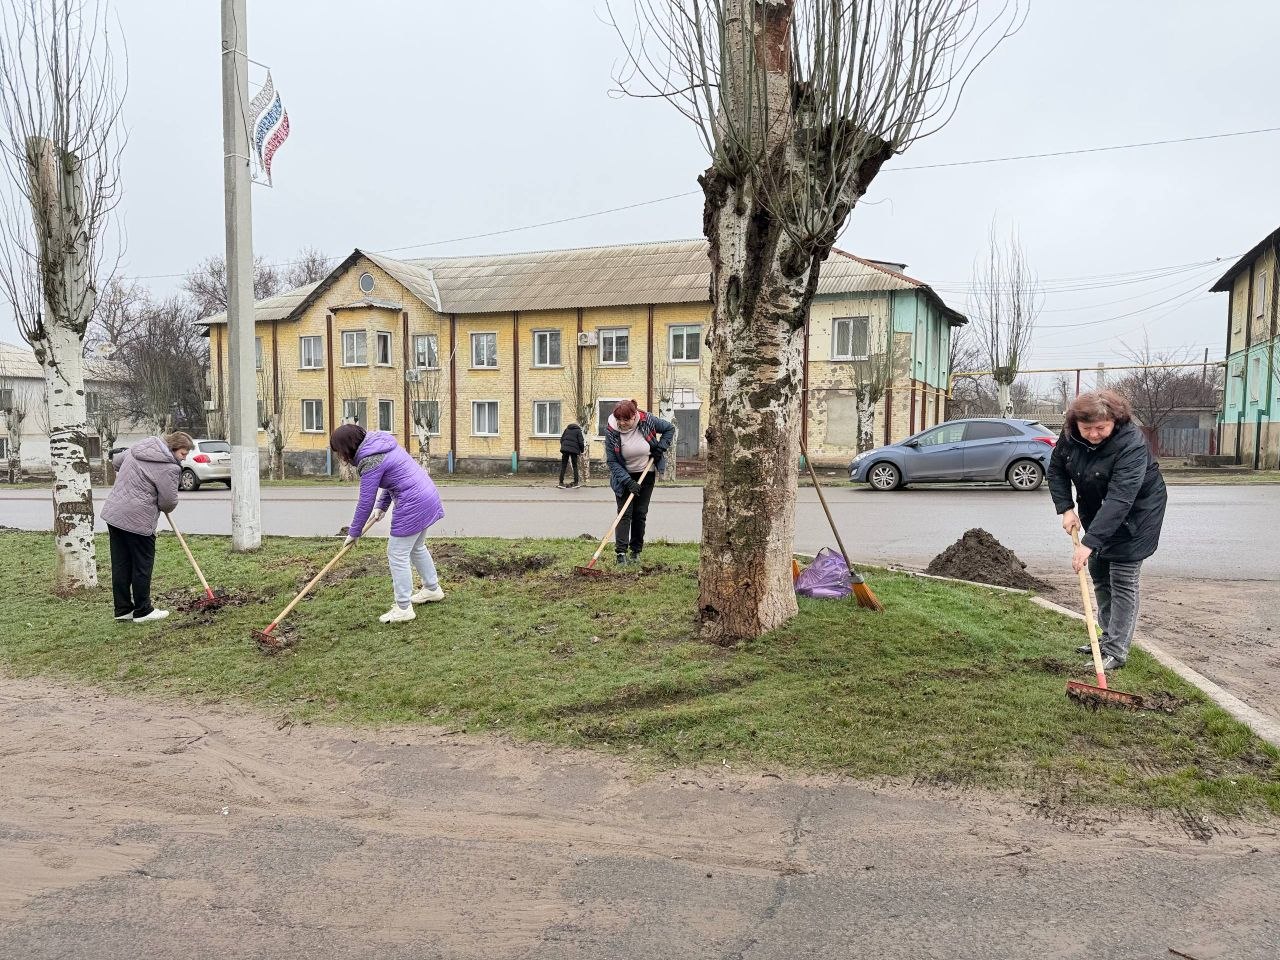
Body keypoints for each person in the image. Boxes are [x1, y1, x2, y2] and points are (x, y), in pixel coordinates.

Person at [1047, 390, 1167, 672]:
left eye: (1101, 428)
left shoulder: (1131, 444)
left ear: (1115, 420)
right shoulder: (1070, 436)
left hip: (1136, 514)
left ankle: (1116, 650)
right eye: (1086, 428)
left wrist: (1089, 543)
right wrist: (1066, 508)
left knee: (1122, 579)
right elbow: (1056, 470)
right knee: (1100, 573)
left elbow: (1121, 499)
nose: (1093, 434)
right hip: (1097, 509)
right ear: (1076, 424)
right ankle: (1107, 637)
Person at [330, 423, 446, 624]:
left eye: (339, 452)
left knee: (397, 554)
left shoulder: (369, 460)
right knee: (417, 547)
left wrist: (354, 532)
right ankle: (432, 589)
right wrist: (382, 506)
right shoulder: (380, 444)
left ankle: (403, 608)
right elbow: (394, 476)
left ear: (346, 448)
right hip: (426, 494)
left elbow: (365, 501)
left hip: (414, 502)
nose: (340, 456)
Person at [101, 431, 192, 623]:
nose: (184, 458)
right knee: (142, 564)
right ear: (173, 448)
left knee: (121, 564)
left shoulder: (140, 447)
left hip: (115, 514)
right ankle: (143, 611)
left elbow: (116, 461)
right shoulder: (170, 467)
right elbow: (168, 503)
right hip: (138, 520)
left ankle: (123, 609)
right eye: (183, 453)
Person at [604, 399, 674, 565]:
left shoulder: (646, 420)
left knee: (640, 514)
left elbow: (669, 429)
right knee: (624, 514)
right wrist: (628, 482)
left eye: (626, 420)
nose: (622, 423)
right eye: (619, 419)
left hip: (646, 474)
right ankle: (621, 554)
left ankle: (636, 551)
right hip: (623, 477)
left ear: (634, 415)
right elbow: (612, 461)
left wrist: (660, 448)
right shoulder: (611, 430)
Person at [557, 421, 585, 488]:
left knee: (563, 466)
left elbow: (561, 440)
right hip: (573, 450)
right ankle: (576, 483)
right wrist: (582, 451)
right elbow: (581, 442)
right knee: (575, 466)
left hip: (565, 450)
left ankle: (561, 483)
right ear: (577, 426)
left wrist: (564, 447)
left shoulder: (566, 430)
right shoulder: (578, 431)